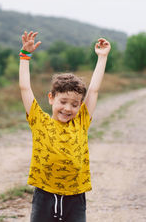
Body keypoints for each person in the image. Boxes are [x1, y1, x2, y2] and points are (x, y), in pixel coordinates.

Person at [19, 31, 111, 222]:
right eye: (63, 102)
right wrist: (25, 56)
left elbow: (93, 90)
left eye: (75, 104)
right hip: (44, 196)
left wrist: (102, 58)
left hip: (75, 197)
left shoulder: (81, 121)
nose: (68, 108)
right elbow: (25, 88)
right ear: (51, 98)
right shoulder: (39, 120)